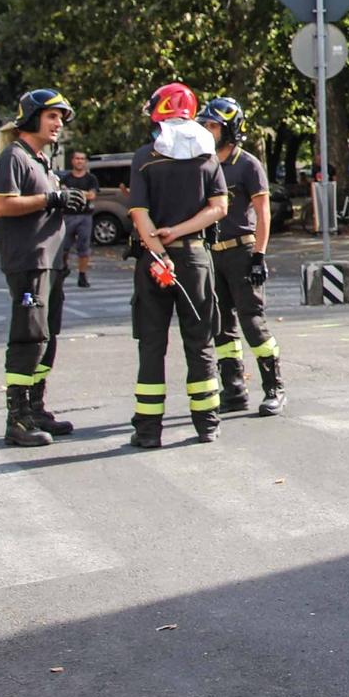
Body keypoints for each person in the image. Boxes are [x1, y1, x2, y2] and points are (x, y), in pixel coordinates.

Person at [127, 82, 229, 448]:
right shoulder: (208, 157)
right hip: (196, 257)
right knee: (200, 340)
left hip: (154, 260)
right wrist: (180, 232)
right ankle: (207, 424)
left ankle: (149, 430)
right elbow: (219, 208)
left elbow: (139, 214)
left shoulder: (145, 157)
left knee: (152, 343)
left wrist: (159, 249)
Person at [0, 90, 89, 448]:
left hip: (51, 263)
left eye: (61, 118)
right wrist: (51, 198)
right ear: (32, 117)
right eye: (52, 117)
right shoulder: (13, 157)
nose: (59, 124)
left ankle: (35, 407)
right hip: (28, 263)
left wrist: (67, 201)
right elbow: (2, 206)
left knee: (47, 337)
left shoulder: (41, 161)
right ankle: (16, 417)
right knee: (28, 337)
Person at [197, 96, 286, 417]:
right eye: (205, 125)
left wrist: (259, 255)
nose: (207, 131)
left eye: (213, 126)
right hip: (212, 255)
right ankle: (233, 388)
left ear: (230, 129)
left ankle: (274, 387)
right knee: (221, 326)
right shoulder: (204, 163)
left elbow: (263, 214)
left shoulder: (248, 164)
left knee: (252, 321)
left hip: (242, 251)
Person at [50, 147, 98, 291]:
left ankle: (82, 275)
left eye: (82, 159)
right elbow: (62, 192)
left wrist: (74, 192)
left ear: (86, 162)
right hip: (68, 216)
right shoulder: (66, 178)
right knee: (63, 247)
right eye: (77, 158)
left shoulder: (91, 178)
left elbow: (92, 195)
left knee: (84, 248)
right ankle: (63, 268)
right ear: (72, 161)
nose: (79, 161)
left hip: (85, 216)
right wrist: (81, 194)